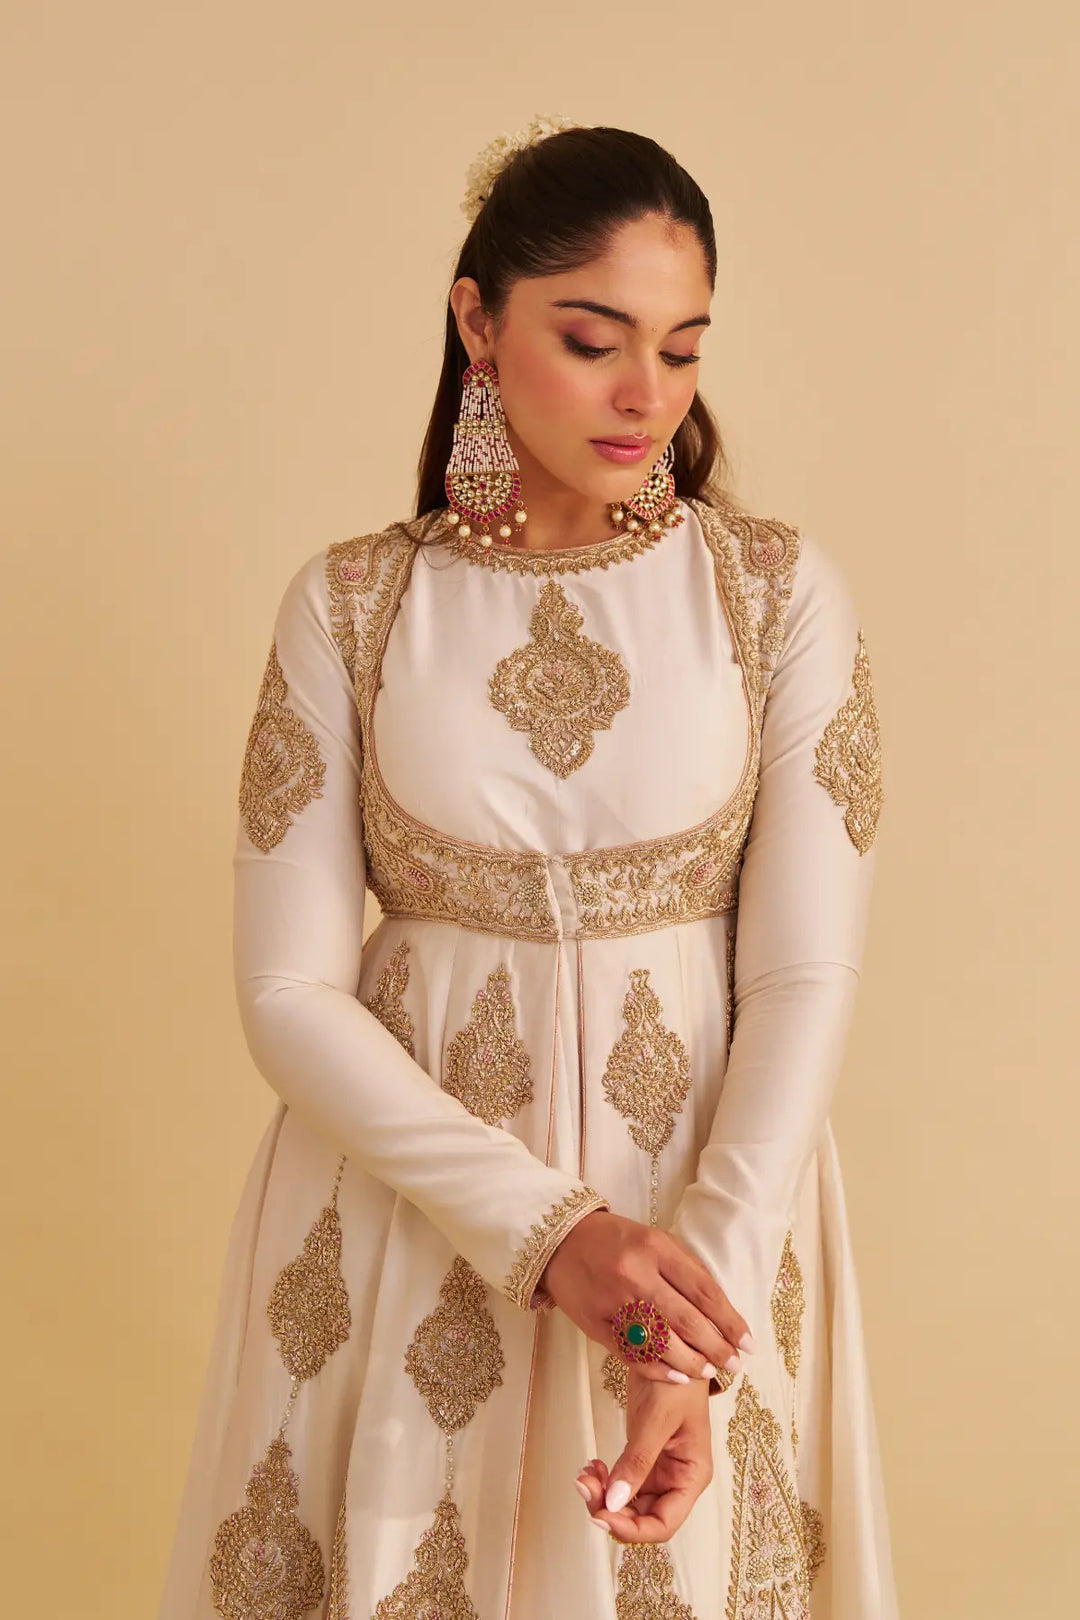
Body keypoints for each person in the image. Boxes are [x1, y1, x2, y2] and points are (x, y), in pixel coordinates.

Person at [157, 118, 899, 1620]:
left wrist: (680, 1321)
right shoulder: (355, 609)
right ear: (476, 321)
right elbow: (287, 990)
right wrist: (551, 1237)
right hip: (405, 1224)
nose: (646, 394)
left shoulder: (773, 599)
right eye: (594, 337)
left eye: (684, 350)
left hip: (714, 1219)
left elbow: (803, 970)